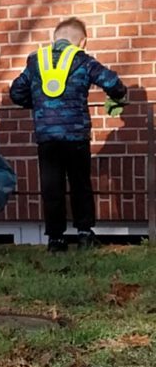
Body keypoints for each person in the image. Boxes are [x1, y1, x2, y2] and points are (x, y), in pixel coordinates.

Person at [9, 17, 128, 252]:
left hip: (47, 137)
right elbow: (111, 82)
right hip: (76, 136)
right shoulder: (83, 59)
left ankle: (56, 239)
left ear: (54, 39)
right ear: (82, 42)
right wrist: (119, 94)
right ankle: (84, 234)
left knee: (51, 187)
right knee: (80, 184)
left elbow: (16, 92)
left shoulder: (36, 61)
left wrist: (39, 104)